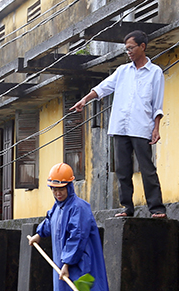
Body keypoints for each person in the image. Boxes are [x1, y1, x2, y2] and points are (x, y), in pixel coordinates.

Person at [71, 30, 167, 218]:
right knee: (123, 170)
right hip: (120, 127)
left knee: (147, 169)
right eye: (126, 49)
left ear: (142, 47)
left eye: (131, 48)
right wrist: (84, 100)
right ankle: (127, 208)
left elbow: (158, 105)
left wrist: (156, 128)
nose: (129, 52)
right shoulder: (122, 71)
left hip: (142, 128)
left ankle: (156, 208)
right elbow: (103, 88)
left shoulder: (155, 73)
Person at [28, 163, 113, 291]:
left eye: (61, 189)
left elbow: (77, 237)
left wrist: (67, 263)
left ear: (70, 186)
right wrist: (39, 234)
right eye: (54, 189)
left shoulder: (79, 207)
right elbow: (50, 221)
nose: (58, 193)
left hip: (81, 263)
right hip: (63, 263)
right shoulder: (58, 206)